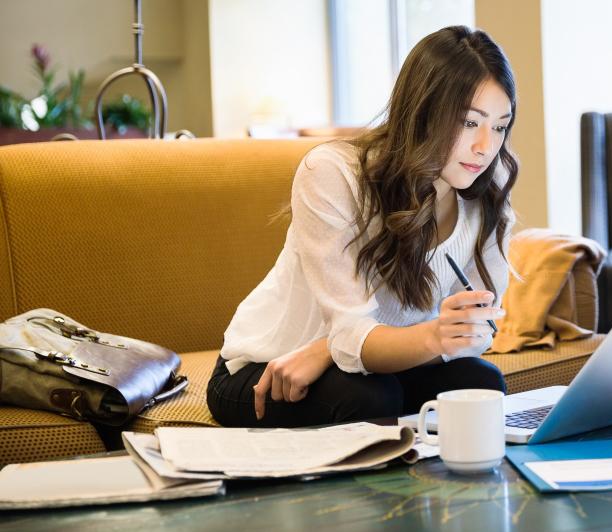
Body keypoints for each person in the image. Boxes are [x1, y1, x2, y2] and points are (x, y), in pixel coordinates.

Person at [206, 26, 519, 428]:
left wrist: (328, 349)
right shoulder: (334, 174)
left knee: (479, 383)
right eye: (469, 122)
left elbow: (479, 332)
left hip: (370, 364)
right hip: (266, 367)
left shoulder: (486, 196)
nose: (485, 146)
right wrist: (431, 335)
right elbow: (353, 333)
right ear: (422, 112)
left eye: (498, 126)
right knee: (370, 396)